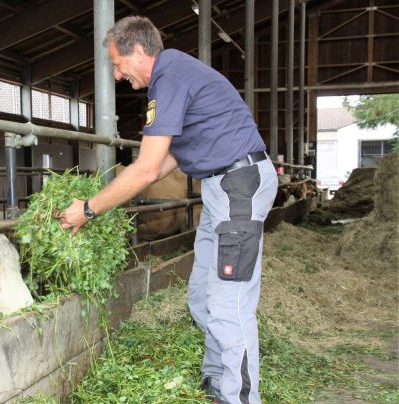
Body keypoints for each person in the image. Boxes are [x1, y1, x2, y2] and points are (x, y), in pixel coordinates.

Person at [57, 15, 277, 404]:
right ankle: (216, 380)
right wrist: (118, 190)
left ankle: (239, 398)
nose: (118, 75)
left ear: (138, 51)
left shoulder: (170, 77)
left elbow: (144, 170)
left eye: (118, 65)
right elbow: (163, 161)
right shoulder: (175, 73)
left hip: (237, 186)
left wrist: (89, 209)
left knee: (230, 303)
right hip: (220, 187)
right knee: (201, 294)